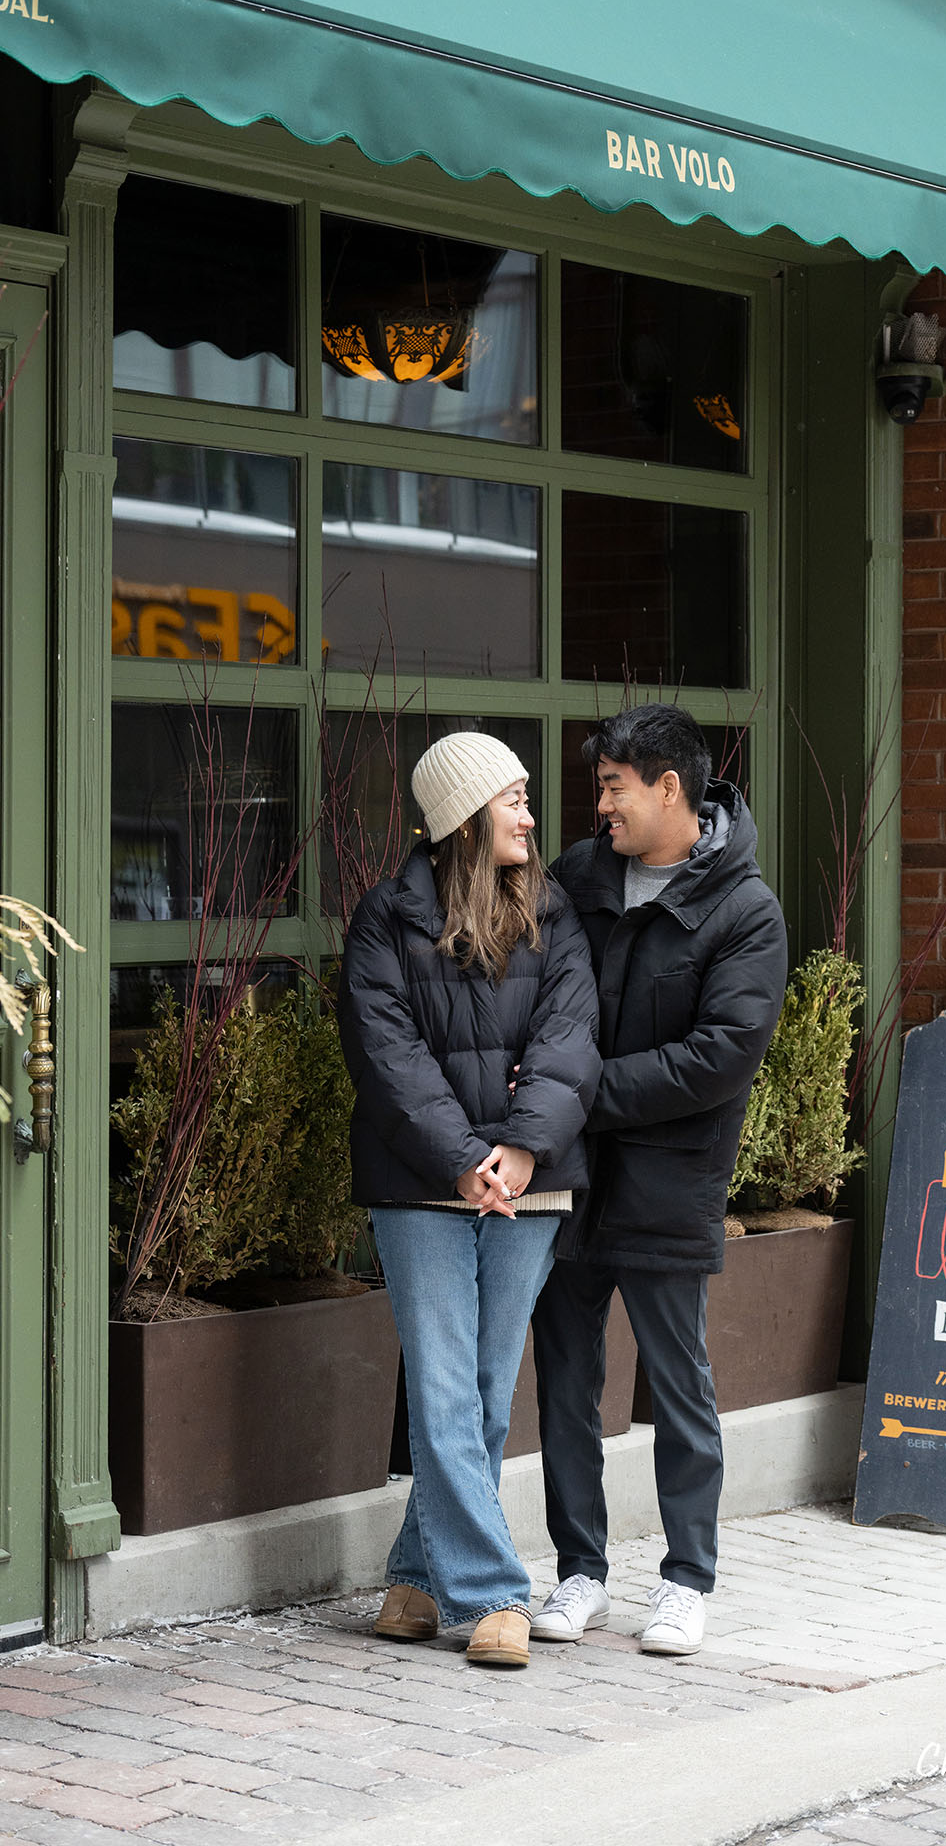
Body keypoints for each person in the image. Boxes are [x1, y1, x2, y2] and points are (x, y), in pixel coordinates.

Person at [338, 732, 599, 1670]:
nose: (531, 816)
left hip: (528, 1185)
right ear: (462, 817)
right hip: (422, 1189)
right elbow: (388, 1059)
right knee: (446, 1391)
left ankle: (414, 1579)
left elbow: (572, 1037)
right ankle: (492, 1592)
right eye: (514, 800)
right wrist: (462, 1160)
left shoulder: (555, 916)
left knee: (485, 1397)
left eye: (527, 798)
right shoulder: (385, 921)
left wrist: (523, 1150)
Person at [530, 704, 787, 1657]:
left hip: (669, 1178)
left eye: (614, 787)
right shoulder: (578, 876)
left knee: (678, 1382)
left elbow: (720, 1055)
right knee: (564, 1378)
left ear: (670, 787)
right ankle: (579, 1573)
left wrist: (579, 1089)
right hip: (570, 1170)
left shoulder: (744, 910)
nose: (601, 806)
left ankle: (686, 1580)